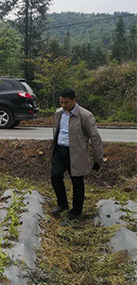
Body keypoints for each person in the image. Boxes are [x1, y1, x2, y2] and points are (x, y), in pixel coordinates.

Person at [51, 89, 103, 220]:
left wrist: (98, 159)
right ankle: (62, 204)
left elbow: (95, 138)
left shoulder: (85, 116)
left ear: (74, 100)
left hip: (76, 154)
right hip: (59, 151)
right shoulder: (58, 113)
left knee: (77, 182)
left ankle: (76, 211)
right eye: (61, 102)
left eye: (66, 102)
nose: (63, 105)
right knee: (55, 176)